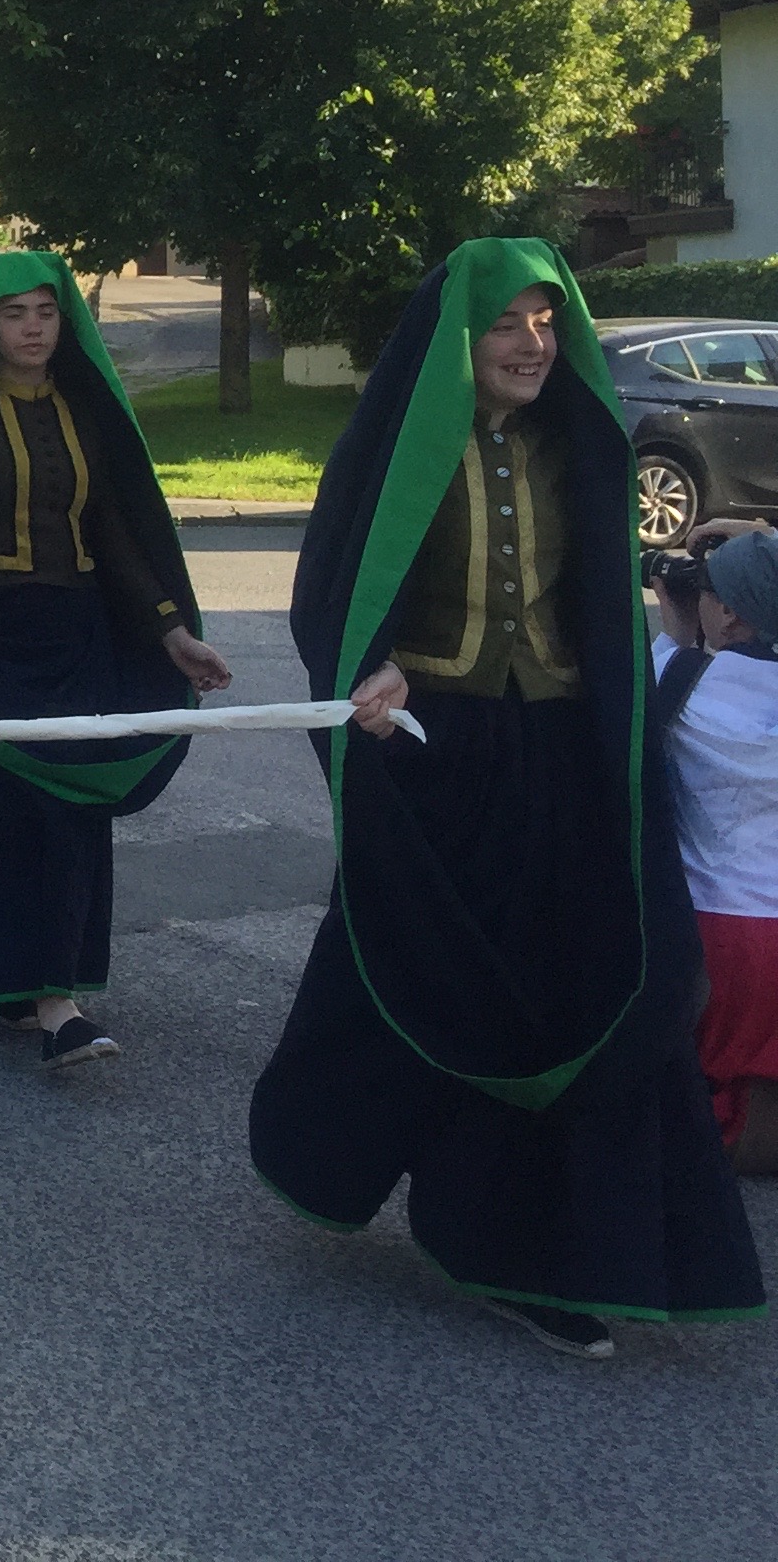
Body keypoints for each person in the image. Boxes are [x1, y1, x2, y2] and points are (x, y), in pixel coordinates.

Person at [254, 239, 763, 1358]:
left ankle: (536, 1246)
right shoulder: (392, 446)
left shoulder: (582, 439)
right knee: (425, 975)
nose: (532, 343)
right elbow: (333, 588)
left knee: (591, 983)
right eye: (506, 324)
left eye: (545, 320)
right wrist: (368, 669)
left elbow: (603, 605)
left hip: (565, 755)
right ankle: (344, 1154)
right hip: (438, 754)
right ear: (459, 337)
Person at [0, 254, 230, 1068]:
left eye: (46, 312)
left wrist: (172, 632)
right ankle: (17, 983)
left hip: (75, 638)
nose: (32, 328)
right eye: (14, 313)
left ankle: (59, 999)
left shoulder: (85, 412)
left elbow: (117, 535)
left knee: (67, 813)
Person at [650, 527, 778, 1173]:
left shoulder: (681, 676)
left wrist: (676, 622)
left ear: (727, 613)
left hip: (717, 932)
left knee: (696, 1085)